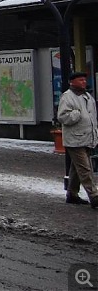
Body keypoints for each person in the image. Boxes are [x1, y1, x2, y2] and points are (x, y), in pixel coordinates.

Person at [57, 72, 98, 207]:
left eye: (84, 80)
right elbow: (62, 117)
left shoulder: (88, 96)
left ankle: (72, 194)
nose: (84, 82)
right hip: (75, 140)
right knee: (85, 169)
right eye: (80, 80)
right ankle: (94, 196)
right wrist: (76, 114)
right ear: (72, 82)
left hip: (87, 137)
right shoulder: (67, 97)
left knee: (77, 168)